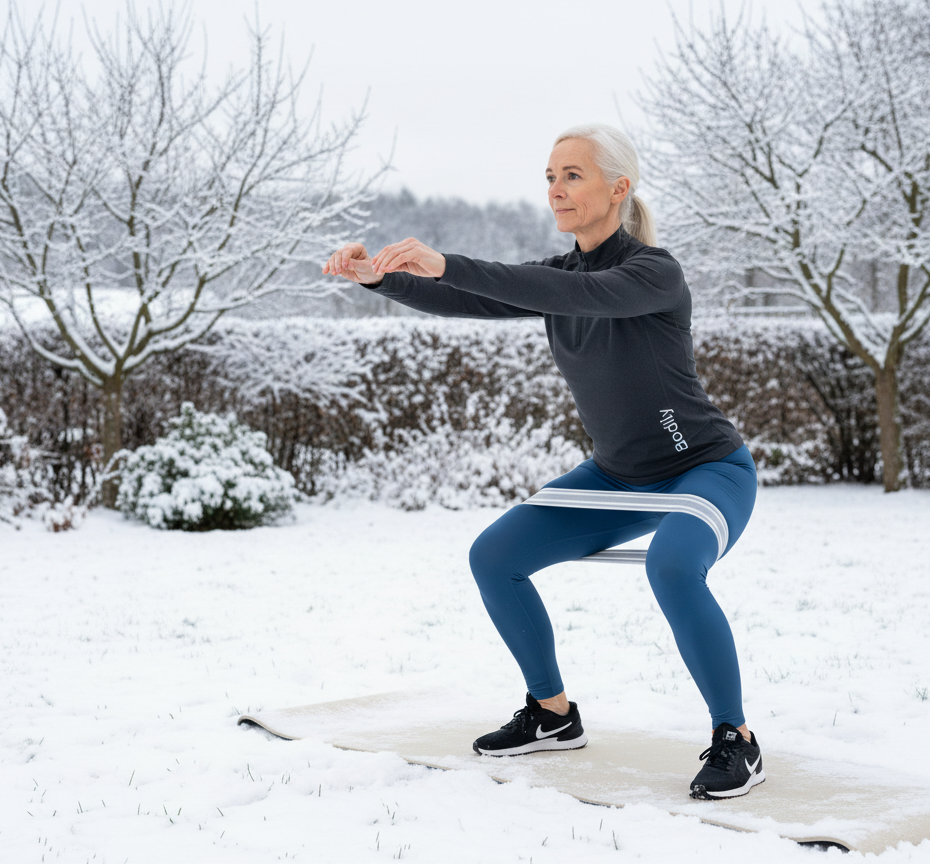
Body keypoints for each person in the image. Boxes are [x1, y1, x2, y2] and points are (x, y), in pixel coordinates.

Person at [322, 124, 763, 800]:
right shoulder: (559, 276)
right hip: (616, 474)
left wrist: (449, 262)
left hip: (704, 466)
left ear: (618, 188)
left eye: (573, 175)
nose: (557, 189)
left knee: (672, 565)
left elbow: (570, 295)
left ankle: (736, 739)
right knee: (494, 557)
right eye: (551, 176)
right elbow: (480, 297)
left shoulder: (653, 272)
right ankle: (552, 715)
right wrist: (381, 279)